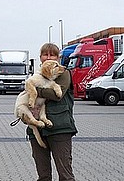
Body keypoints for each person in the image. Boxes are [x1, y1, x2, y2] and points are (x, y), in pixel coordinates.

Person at [27, 43, 78, 181]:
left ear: (58, 57)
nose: (49, 57)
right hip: (37, 129)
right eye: (45, 54)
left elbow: (56, 95)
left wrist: (34, 89)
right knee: (43, 176)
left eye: (52, 55)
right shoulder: (36, 75)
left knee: (65, 175)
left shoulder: (64, 73)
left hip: (60, 128)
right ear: (40, 57)